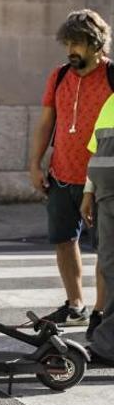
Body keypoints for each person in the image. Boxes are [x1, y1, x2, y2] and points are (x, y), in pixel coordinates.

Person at [29, 9, 113, 328]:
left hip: (103, 179)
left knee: (105, 250)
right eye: (68, 43)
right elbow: (46, 122)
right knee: (64, 240)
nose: (70, 51)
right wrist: (34, 164)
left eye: (77, 43)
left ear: (96, 44)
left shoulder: (111, 76)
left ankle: (100, 312)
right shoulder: (60, 75)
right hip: (61, 175)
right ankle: (76, 303)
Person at [84, 93, 114, 365]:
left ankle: (107, 345)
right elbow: (96, 150)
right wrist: (88, 191)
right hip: (106, 196)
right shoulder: (110, 102)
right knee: (109, 265)